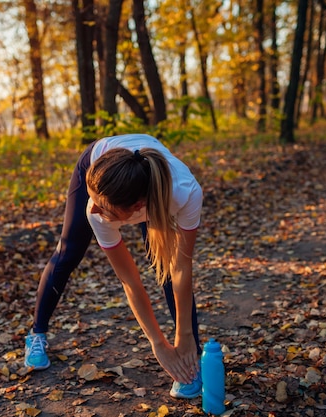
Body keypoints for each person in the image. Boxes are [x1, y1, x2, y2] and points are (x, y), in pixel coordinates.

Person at [24, 133, 204, 398]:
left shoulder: (186, 193)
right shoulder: (95, 209)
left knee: (165, 266)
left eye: (101, 207)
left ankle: (189, 357)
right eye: (93, 201)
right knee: (68, 252)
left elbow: (181, 268)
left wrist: (184, 335)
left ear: (137, 208)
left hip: (147, 186)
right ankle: (36, 333)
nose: (94, 210)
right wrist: (157, 343)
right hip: (98, 165)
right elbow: (129, 281)